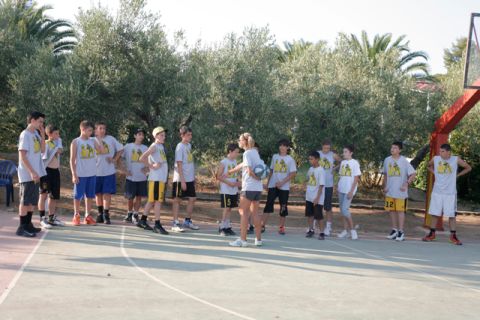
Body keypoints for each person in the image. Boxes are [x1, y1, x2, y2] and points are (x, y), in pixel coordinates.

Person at [422, 144, 471, 245]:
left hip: (450, 193)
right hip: (437, 191)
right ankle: (432, 234)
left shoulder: (455, 159)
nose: (440, 153)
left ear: (449, 152)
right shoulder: (436, 159)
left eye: (443, 151)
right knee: (435, 213)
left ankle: (453, 236)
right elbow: (428, 165)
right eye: (440, 151)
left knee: (451, 215)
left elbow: (468, 167)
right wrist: (434, 172)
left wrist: (458, 175)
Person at [229, 133, 264, 247]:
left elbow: (249, 170)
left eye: (239, 140)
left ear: (244, 141)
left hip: (249, 187)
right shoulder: (255, 152)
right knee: (255, 213)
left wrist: (256, 177)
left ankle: (243, 240)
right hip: (258, 188)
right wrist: (231, 171)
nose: (238, 141)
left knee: (243, 213)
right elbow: (244, 165)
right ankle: (258, 240)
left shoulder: (247, 153)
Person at [16, 111, 47, 237]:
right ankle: (22, 227)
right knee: (25, 201)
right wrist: (32, 172)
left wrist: (43, 134)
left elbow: (43, 150)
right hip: (27, 174)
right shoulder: (25, 134)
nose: (41, 124)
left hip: (36, 173)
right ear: (32, 120)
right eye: (40, 121)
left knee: (31, 202)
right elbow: (22, 155)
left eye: (42, 122)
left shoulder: (36, 134)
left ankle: (28, 224)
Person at [70, 120, 104, 226]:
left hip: (92, 174)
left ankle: (87, 216)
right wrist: (74, 174)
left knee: (89, 196)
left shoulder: (93, 141)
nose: (91, 133)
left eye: (92, 131)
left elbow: (101, 151)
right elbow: (71, 159)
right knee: (77, 196)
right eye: (89, 130)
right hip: (80, 174)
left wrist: (98, 137)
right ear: (82, 129)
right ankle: (76, 215)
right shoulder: (76, 142)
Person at [137, 127, 169, 234]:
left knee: (151, 201)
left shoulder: (160, 146)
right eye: (161, 135)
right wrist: (152, 166)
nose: (164, 137)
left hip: (159, 179)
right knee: (157, 202)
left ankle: (143, 220)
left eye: (164, 135)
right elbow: (142, 158)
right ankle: (157, 224)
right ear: (155, 136)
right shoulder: (154, 146)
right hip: (156, 179)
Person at [383, 141, 416, 241]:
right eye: (392, 147)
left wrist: (406, 183)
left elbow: (413, 174)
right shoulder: (387, 160)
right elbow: (385, 174)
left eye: (395, 148)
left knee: (400, 211)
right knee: (391, 211)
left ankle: (401, 232)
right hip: (390, 191)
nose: (392, 149)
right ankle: (394, 230)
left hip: (400, 192)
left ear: (400, 150)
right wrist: (384, 186)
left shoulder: (404, 161)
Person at [262, 139, 297, 235]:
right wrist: (268, 183)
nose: (282, 147)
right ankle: (262, 225)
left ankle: (281, 227)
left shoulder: (290, 159)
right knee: (268, 205)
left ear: (287, 148)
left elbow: (293, 173)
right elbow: (271, 171)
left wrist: (282, 182)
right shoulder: (275, 157)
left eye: (284, 146)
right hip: (273, 185)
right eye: (280, 145)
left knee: (283, 207)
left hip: (284, 187)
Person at [94, 121, 124, 224]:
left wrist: (115, 159)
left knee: (107, 194)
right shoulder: (92, 140)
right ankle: (100, 214)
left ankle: (106, 214)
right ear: (95, 130)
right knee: (98, 193)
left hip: (109, 171)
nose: (103, 130)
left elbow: (121, 149)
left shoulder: (111, 139)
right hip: (96, 172)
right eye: (100, 128)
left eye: (104, 128)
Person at [171, 126, 199, 232]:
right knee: (177, 200)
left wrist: (193, 177)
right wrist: (182, 180)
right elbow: (179, 164)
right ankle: (175, 223)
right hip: (180, 178)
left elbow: (189, 163)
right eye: (188, 135)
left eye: (191, 134)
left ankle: (187, 221)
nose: (190, 136)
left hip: (189, 178)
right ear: (182, 135)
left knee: (192, 198)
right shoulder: (180, 147)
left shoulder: (189, 146)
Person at [38, 124, 65, 228]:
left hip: (55, 172)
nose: (58, 135)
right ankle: (42, 218)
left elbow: (61, 150)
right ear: (49, 134)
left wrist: (58, 148)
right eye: (56, 133)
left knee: (54, 196)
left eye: (58, 133)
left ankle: (51, 218)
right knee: (43, 195)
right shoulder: (45, 143)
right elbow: (44, 155)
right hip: (45, 172)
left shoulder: (58, 141)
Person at [122, 129, 148, 224]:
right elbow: (119, 157)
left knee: (139, 197)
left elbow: (151, 161)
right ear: (135, 135)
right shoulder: (128, 146)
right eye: (139, 134)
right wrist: (124, 170)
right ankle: (129, 213)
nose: (141, 136)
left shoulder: (146, 148)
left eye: (142, 135)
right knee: (130, 197)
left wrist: (147, 169)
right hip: (130, 177)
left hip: (142, 177)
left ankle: (136, 214)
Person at [336, 145, 361, 240]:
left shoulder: (355, 163)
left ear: (351, 153)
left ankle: (353, 231)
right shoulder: (343, 163)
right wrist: (338, 186)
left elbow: (356, 179)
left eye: (346, 152)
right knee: (342, 211)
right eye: (343, 152)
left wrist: (351, 191)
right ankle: (345, 231)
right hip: (341, 190)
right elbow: (341, 176)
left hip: (349, 191)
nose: (344, 153)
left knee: (345, 210)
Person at [216, 143, 241, 236]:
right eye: (236, 152)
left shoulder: (235, 162)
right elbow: (218, 176)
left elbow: (235, 176)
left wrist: (237, 183)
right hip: (226, 189)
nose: (237, 154)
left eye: (238, 152)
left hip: (233, 189)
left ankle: (227, 227)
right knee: (226, 208)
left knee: (230, 208)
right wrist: (229, 183)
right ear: (230, 151)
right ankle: (222, 227)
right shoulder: (224, 162)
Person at [317, 139, 341, 236]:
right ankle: (313, 225)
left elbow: (342, 162)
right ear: (322, 146)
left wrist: (334, 168)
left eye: (328, 148)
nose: (327, 150)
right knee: (317, 205)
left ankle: (328, 227)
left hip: (328, 184)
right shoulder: (318, 154)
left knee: (328, 207)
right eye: (325, 148)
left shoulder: (333, 155)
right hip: (318, 184)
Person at [305, 151, 326, 240]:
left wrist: (317, 198)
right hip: (309, 196)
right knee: (310, 215)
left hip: (317, 198)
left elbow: (321, 185)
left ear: (317, 159)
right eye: (309, 159)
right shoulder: (310, 169)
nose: (310, 160)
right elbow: (308, 179)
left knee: (318, 216)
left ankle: (321, 233)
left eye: (312, 159)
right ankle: (311, 230)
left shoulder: (321, 170)